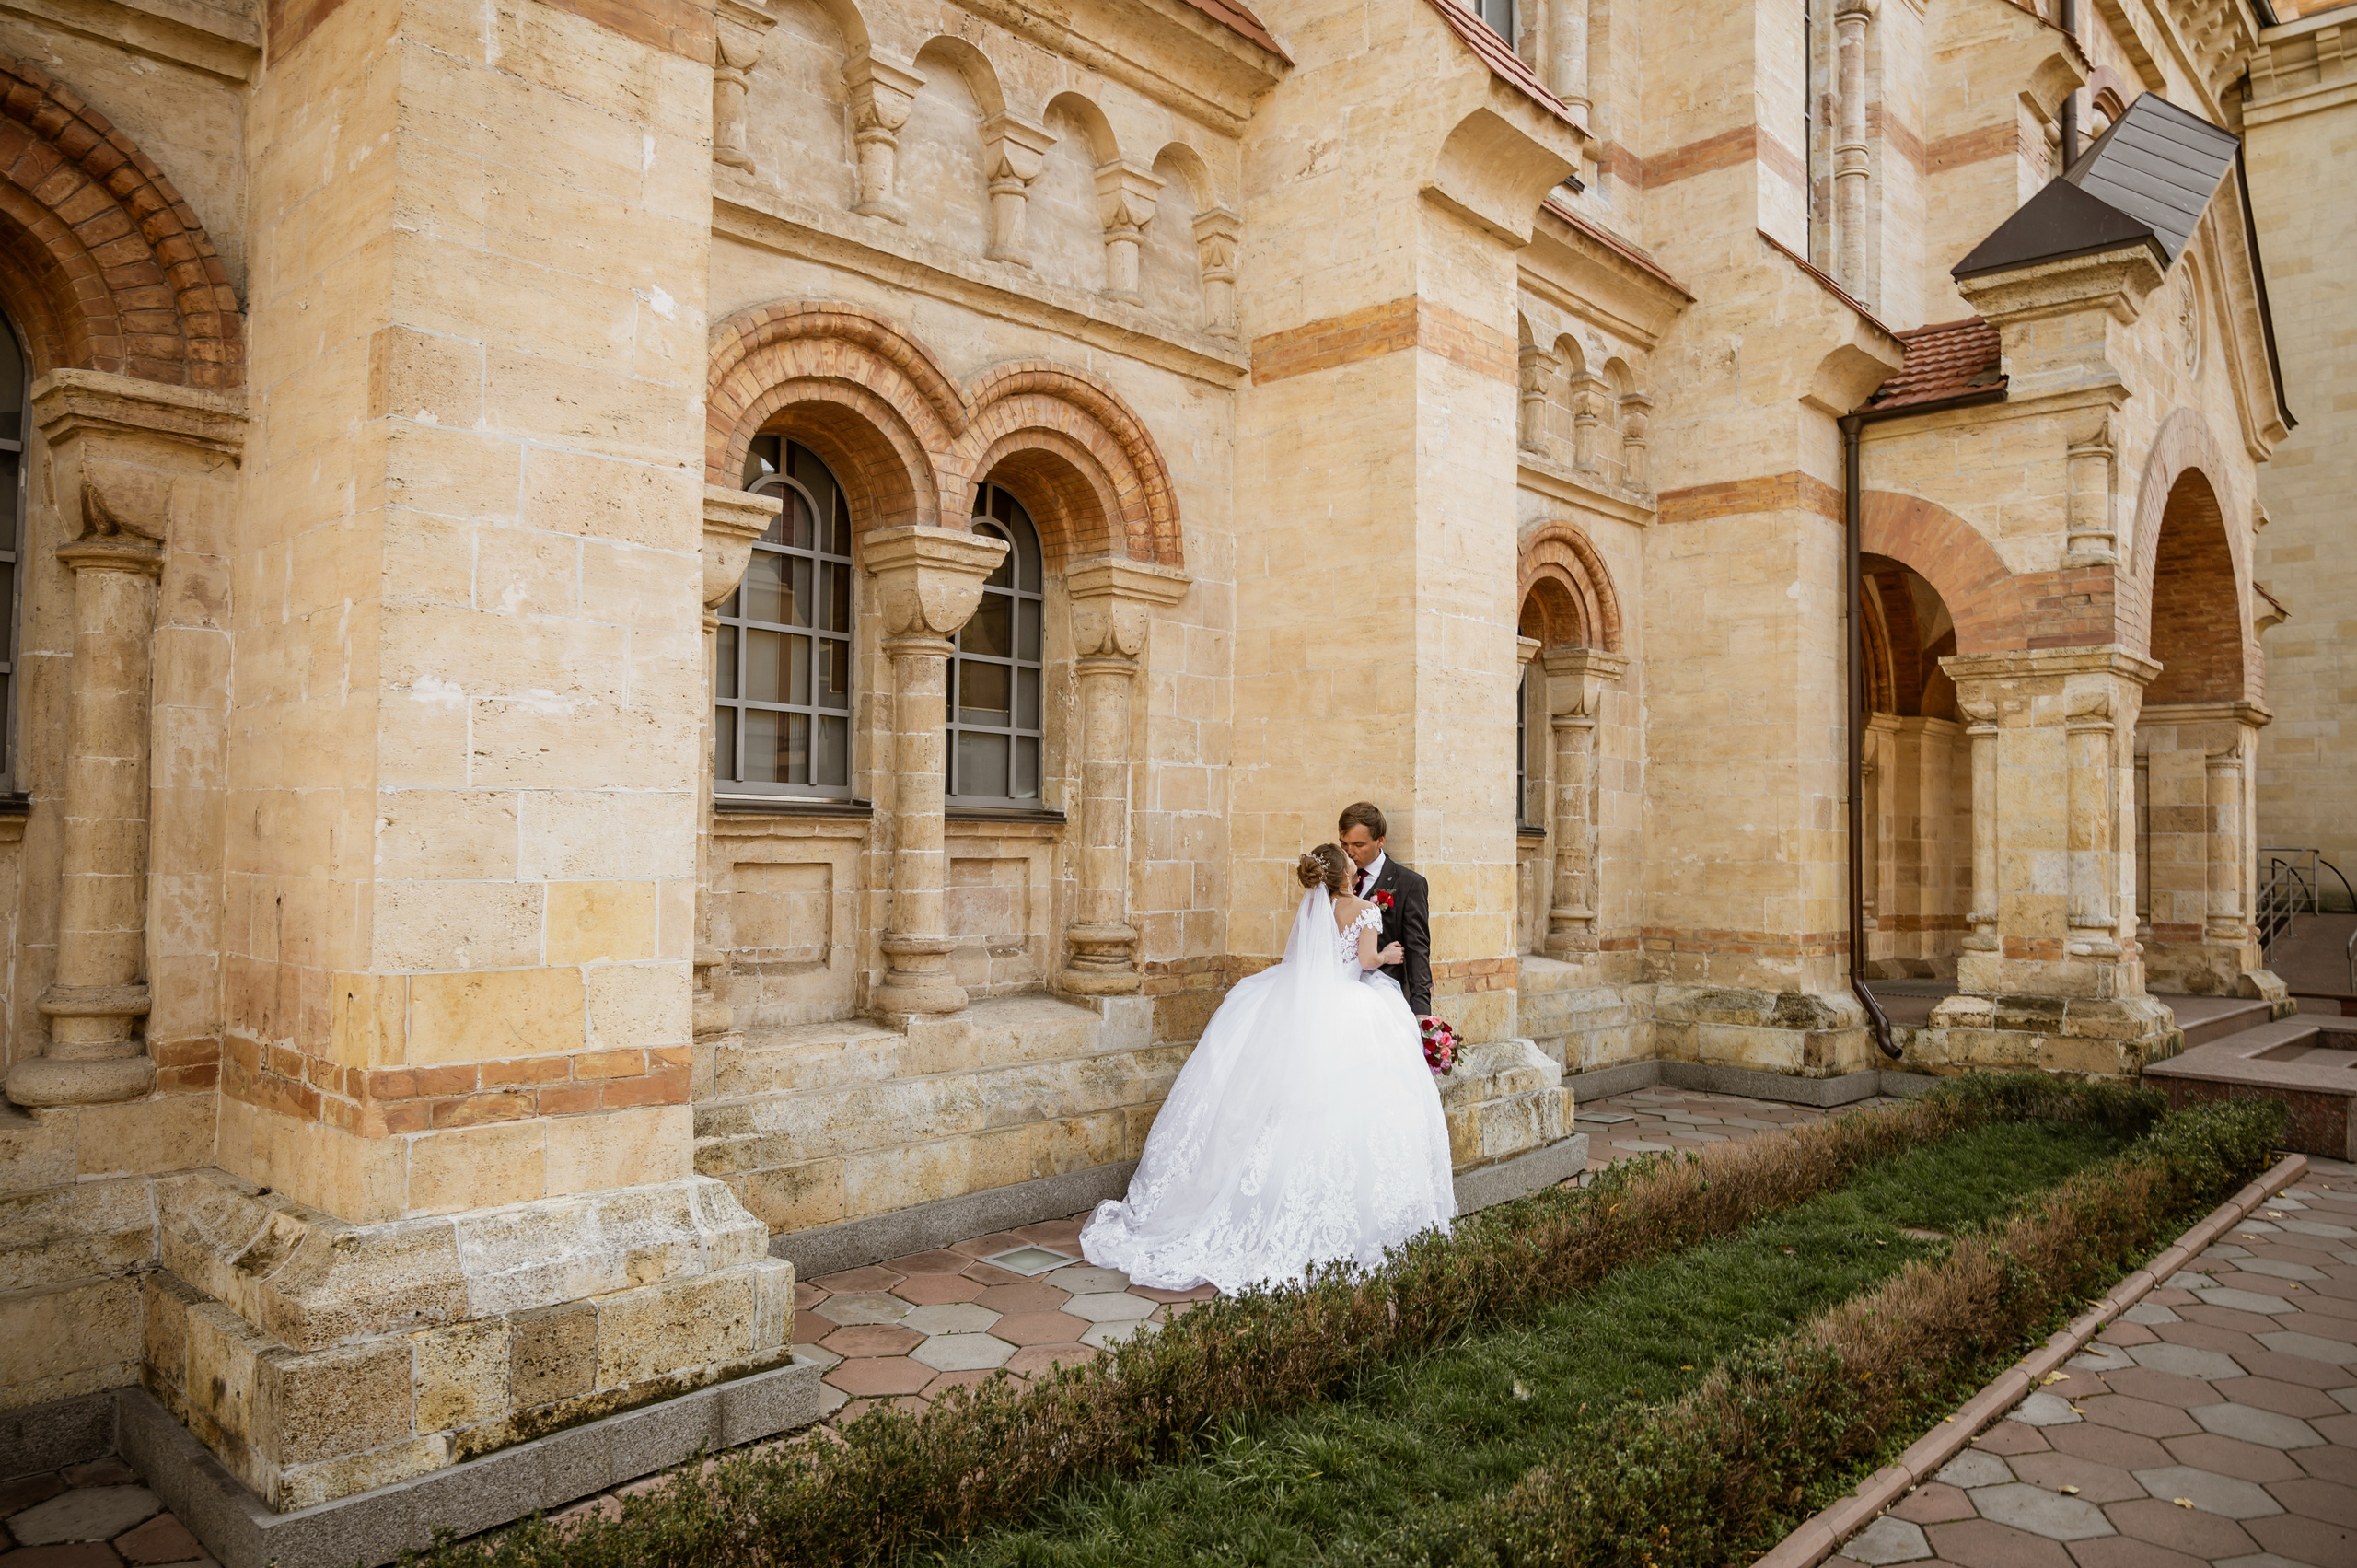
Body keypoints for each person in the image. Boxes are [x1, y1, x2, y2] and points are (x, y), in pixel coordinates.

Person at [1078, 843, 1457, 1294]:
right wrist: (1390, 956)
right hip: (1354, 1008)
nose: (1356, 860)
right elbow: (1366, 961)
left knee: (1288, 1106)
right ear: (1343, 873)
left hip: (1306, 1003)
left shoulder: (1315, 907)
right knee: (1348, 1109)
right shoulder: (1365, 909)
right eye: (1349, 857)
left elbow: (1307, 960)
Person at [1337, 801, 1432, 1019]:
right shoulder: (1333, 880)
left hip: (1383, 1000)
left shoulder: (1409, 884)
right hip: (1337, 996)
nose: (1349, 853)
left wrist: (1422, 1013)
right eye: (1344, 844)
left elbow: (1418, 951)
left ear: (1380, 840)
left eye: (1358, 845)